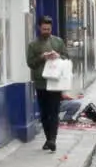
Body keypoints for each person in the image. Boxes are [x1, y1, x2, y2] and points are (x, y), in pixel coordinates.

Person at [26, 15, 70, 152]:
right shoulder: (33, 45)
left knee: (54, 112)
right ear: (39, 28)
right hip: (40, 83)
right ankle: (48, 138)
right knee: (44, 113)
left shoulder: (58, 42)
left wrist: (58, 56)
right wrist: (42, 57)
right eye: (44, 29)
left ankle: (53, 140)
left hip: (55, 83)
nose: (46, 31)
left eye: (49, 29)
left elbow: (66, 57)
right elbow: (30, 63)